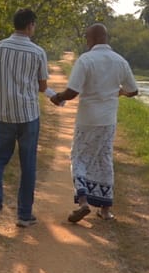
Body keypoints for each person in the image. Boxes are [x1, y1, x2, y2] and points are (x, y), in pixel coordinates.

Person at [50, 22, 138, 223]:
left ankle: (83, 202)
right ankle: (106, 210)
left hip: (88, 119)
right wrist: (119, 92)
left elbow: (72, 92)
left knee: (79, 157)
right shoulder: (120, 61)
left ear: (91, 39)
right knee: (104, 159)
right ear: (106, 38)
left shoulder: (86, 60)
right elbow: (133, 90)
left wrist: (57, 97)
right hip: (108, 120)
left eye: (87, 39)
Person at [0, 7, 49, 230]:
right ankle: (24, 215)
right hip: (28, 115)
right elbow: (42, 86)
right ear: (30, 25)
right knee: (28, 163)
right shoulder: (38, 52)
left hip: (3, 114)